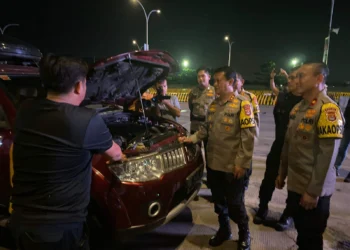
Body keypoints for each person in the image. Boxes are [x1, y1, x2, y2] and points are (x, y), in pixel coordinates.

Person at [9, 54, 126, 250]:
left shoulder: (25, 111)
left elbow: (16, 147)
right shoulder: (86, 120)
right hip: (60, 230)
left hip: (21, 222)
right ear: (79, 86)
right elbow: (115, 154)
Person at [179, 67, 256, 250]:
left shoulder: (243, 105)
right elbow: (205, 130)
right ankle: (224, 230)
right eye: (214, 80)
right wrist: (190, 139)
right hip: (214, 165)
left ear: (230, 82)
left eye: (218, 80)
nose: (215, 84)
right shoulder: (213, 105)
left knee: (235, 204)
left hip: (233, 167)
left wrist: (242, 164)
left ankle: (244, 233)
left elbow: (249, 137)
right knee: (219, 202)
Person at [276, 62, 343, 250]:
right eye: (296, 76)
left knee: (311, 238)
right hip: (296, 185)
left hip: (314, 191)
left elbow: (327, 157)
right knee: (302, 233)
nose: (296, 80)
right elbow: (289, 145)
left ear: (319, 79)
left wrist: (312, 192)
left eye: (301, 76)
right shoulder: (298, 108)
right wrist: (282, 173)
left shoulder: (328, 109)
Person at [253, 67, 303, 231]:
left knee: (295, 186)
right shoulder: (282, 97)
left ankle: (288, 215)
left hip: (298, 150)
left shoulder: (306, 101)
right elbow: (275, 89)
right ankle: (263, 207)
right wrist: (273, 78)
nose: (289, 81)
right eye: (290, 78)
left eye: (293, 78)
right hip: (279, 145)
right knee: (269, 179)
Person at [236, 73, 260, 190]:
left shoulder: (250, 97)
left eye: (236, 80)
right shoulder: (227, 97)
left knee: (246, 162)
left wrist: (254, 136)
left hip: (247, 135)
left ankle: (244, 184)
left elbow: (256, 119)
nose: (234, 83)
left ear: (242, 82)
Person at [188, 67, 215, 134]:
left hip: (208, 125)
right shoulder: (193, 92)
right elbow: (191, 106)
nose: (200, 79)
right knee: (194, 143)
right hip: (195, 125)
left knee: (208, 144)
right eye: (198, 77)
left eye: (203, 76)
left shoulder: (215, 91)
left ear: (209, 77)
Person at [334, 98, 350, 176]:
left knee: (342, 147)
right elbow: (348, 110)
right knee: (342, 148)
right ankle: (336, 167)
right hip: (349, 127)